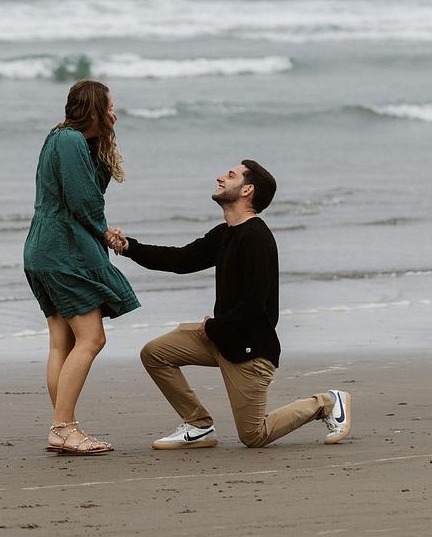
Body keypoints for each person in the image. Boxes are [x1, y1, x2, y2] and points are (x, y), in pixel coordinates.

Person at [109, 160, 351, 449]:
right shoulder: (225, 233)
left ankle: (327, 402)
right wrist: (128, 247)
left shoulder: (257, 238)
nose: (220, 177)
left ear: (247, 190)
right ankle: (198, 425)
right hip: (221, 338)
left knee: (254, 435)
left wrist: (213, 326)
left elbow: (255, 307)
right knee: (155, 354)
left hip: (249, 352)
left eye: (231, 175)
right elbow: (180, 260)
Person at [23, 80, 141, 455]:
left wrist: (103, 139)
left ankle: (64, 426)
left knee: (63, 341)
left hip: (44, 248)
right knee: (92, 339)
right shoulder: (70, 141)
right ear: (94, 109)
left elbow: (91, 190)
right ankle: (63, 427)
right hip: (64, 250)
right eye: (109, 106)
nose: (113, 112)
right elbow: (84, 201)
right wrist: (104, 233)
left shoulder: (64, 139)